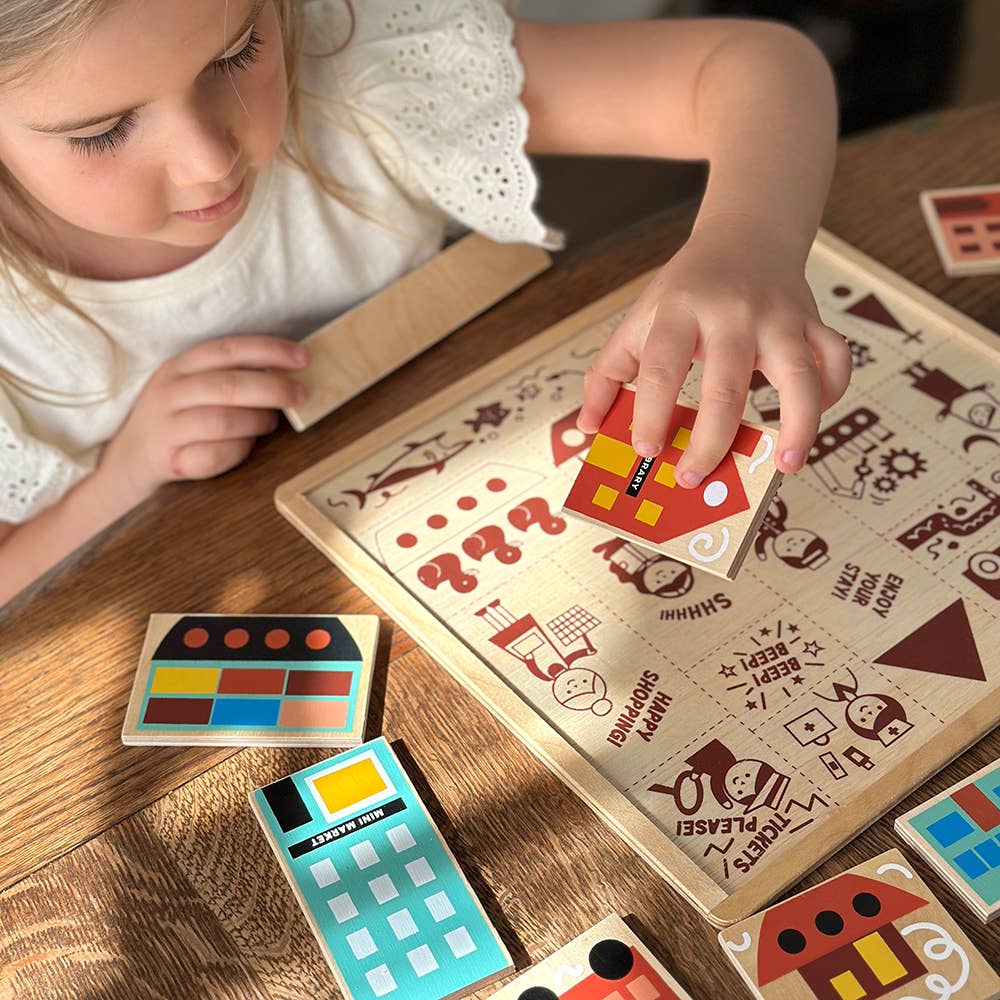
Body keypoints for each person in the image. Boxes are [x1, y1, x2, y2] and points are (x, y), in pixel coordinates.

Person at [0, 0, 851, 604]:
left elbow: (756, 66)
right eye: (102, 132)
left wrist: (748, 243)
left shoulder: (350, 51)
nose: (208, 161)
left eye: (234, 55)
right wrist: (123, 478)